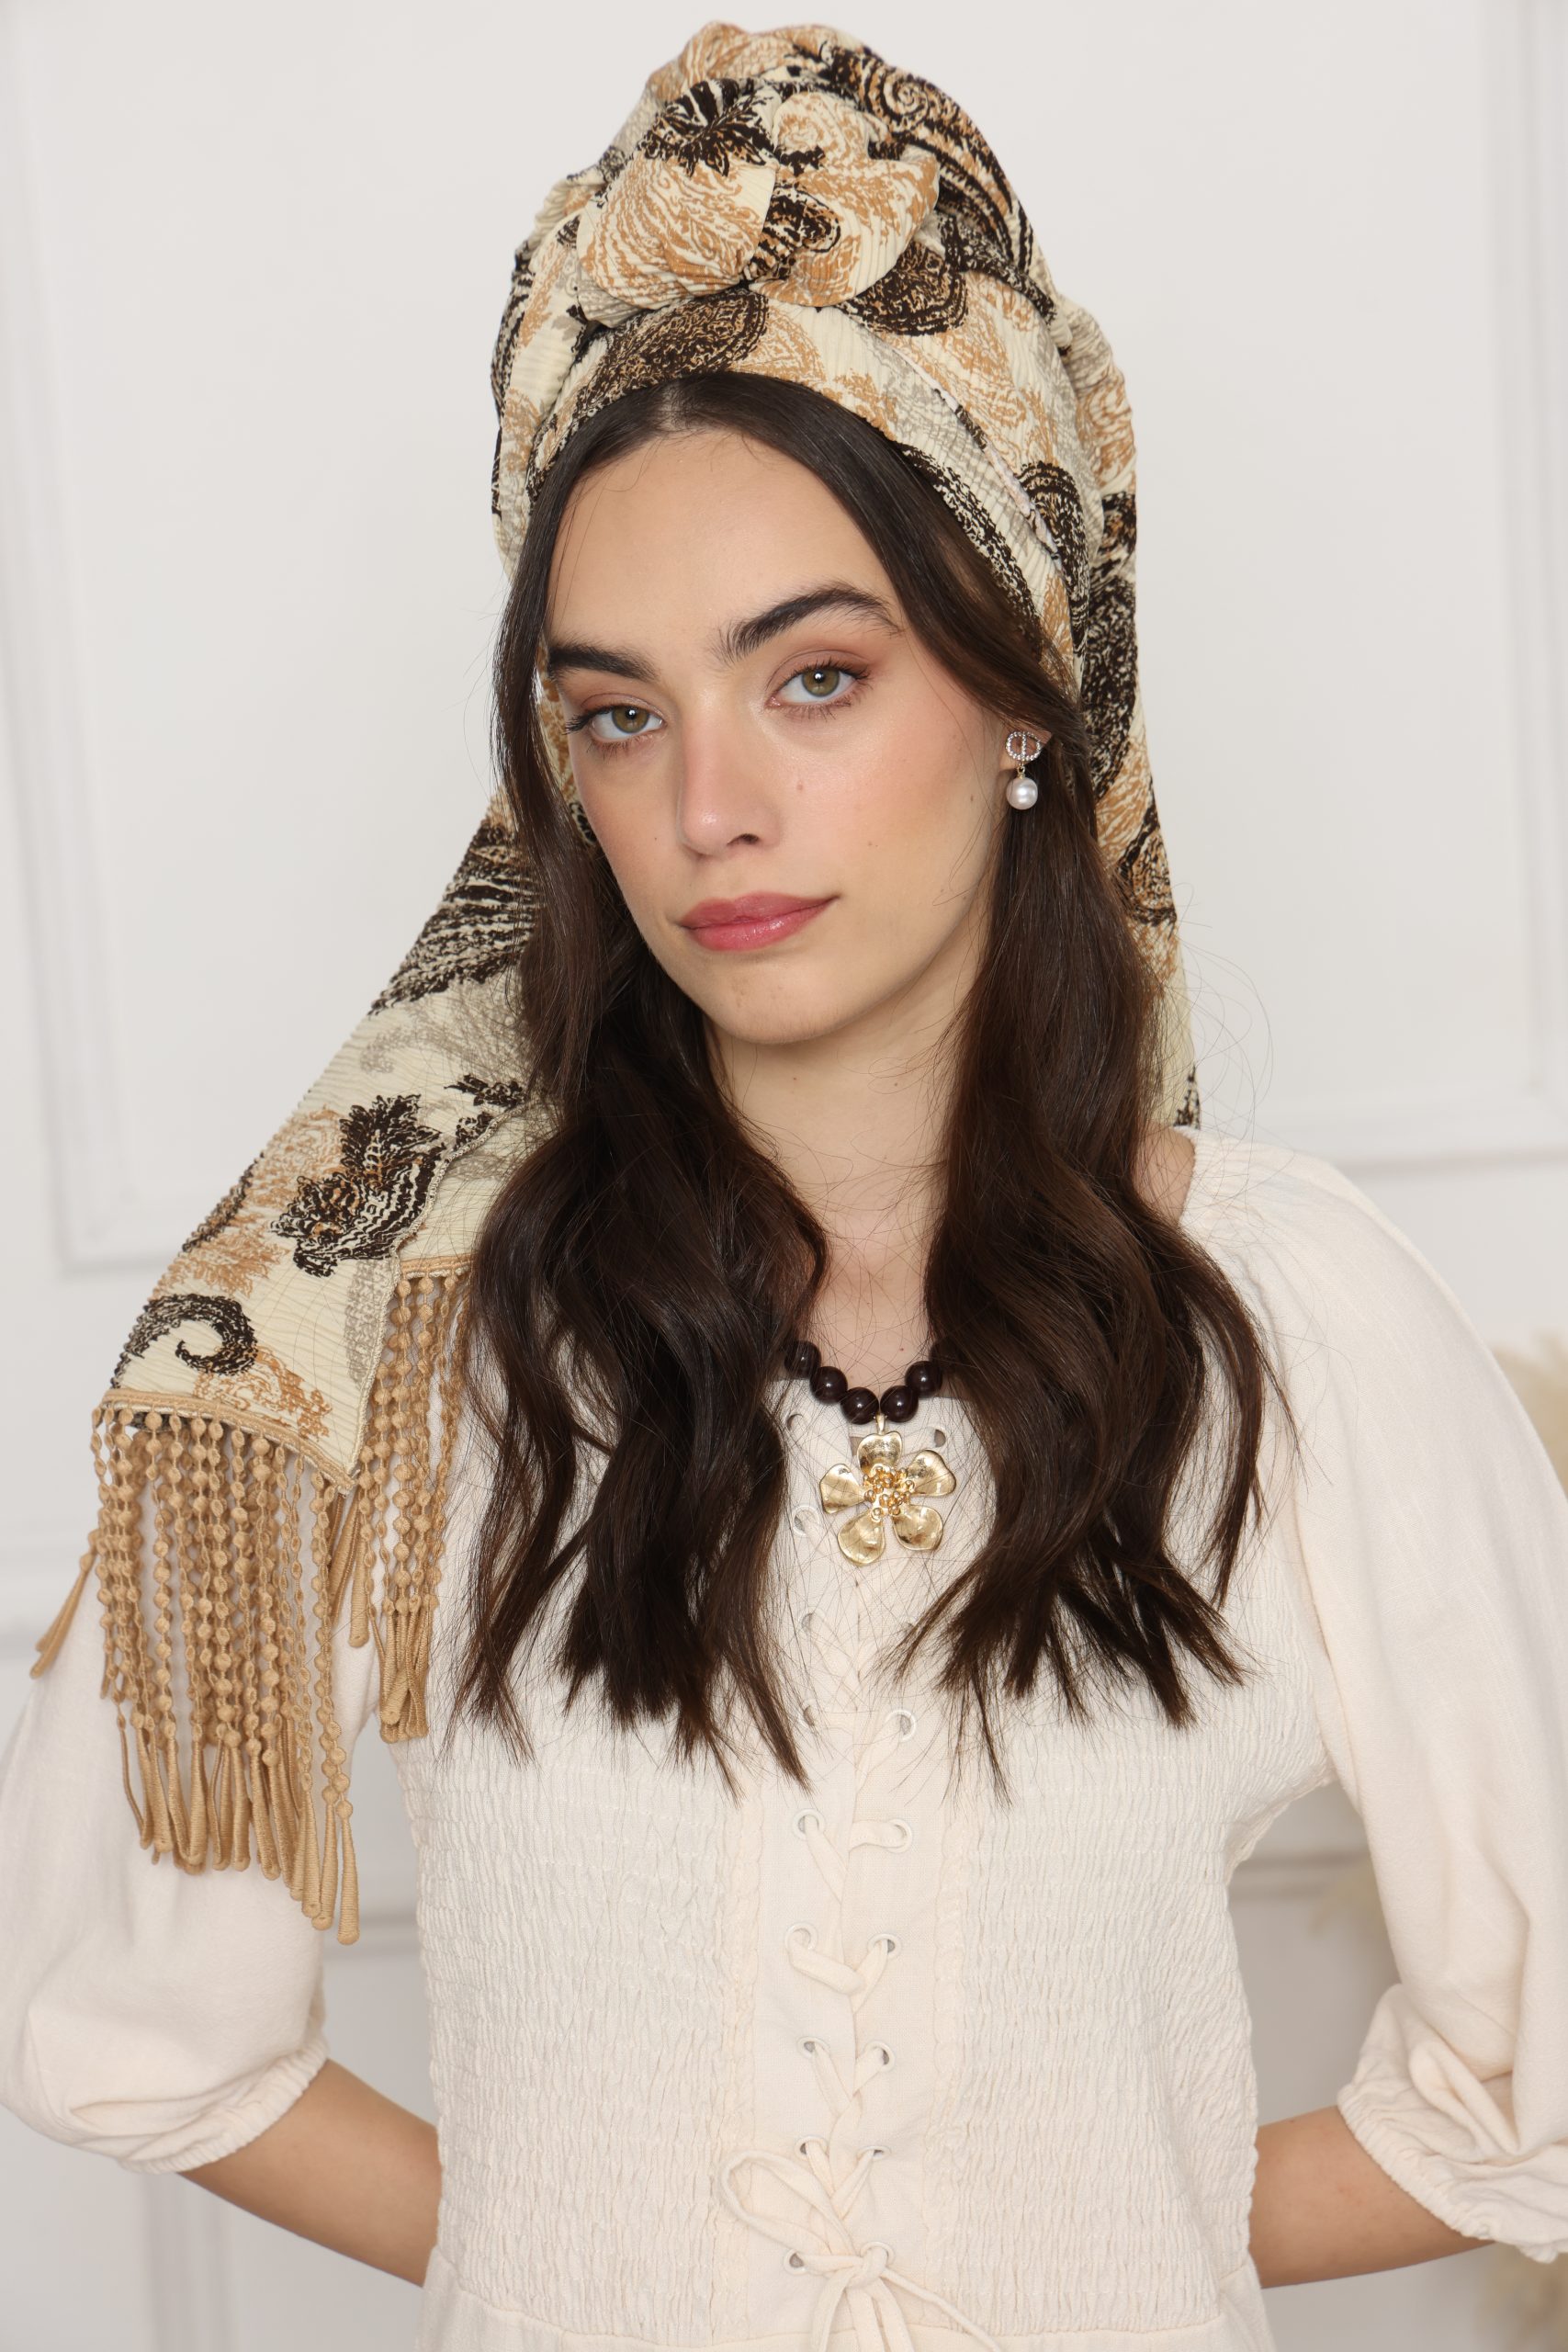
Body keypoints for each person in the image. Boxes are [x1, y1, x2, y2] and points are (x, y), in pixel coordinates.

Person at [4, 21, 1568, 2352]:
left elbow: (1531, 2078)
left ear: (1023, 689)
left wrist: (1086, 2229)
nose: (705, 806)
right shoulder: (404, 1332)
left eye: (813, 678)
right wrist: (577, 2249)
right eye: (616, 713)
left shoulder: (1285, 1322)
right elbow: (122, 2023)